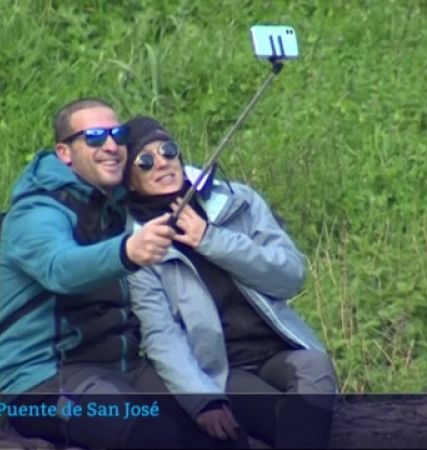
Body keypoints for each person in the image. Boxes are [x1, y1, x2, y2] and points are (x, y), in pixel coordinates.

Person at [0, 99, 232, 449]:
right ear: (65, 152)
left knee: (219, 429)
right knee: (149, 435)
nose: (110, 146)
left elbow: (178, 174)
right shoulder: (36, 212)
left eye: (117, 134)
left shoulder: (113, 202)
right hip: (45, 381)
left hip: (123, 369)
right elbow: (60, 267)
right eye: (93, 137)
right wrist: (127, 251)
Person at [123, 116, 339, 448]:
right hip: (223, 367)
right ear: (131, 182)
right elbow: (160, 334)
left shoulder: (236, 202)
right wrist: (202, 400)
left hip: (279, 349)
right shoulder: (140, 245)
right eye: (146, 160)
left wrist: (210, 239)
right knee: (287, 419)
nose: (162, 163)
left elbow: (290, 276)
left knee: (316, 366)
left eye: (168, 150)